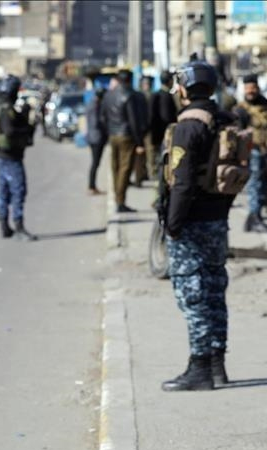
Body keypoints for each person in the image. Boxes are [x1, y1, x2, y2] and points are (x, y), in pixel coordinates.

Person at [161, 57, 237, 392]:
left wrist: (172, 225)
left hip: (192, 222)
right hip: (217, 218)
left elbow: (182, 181)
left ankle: (200, 368)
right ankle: (217, 364)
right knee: (214, 291)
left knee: (193, 296)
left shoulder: (189, 126)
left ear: (185, 88)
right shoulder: (223, 119)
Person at [0, 75, 37, 241]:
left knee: (4, 191)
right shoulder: (6, 109)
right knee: (18, 191)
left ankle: (4, 226)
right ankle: (18, 227)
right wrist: (26, 127)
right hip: (10, 157)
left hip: (0, 156)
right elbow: (10, 131)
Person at [100, 69, 146, 213]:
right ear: (130, 80)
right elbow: (133, 120)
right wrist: (139, 142)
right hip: (126, 136)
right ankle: (120, 201)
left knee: (115, 167)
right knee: (125, 169)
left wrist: (109, 131)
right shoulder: (129, 95)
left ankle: (117, 199)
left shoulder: (108, 95)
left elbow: (103, 117)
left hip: (113, 135)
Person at [234, 74, 267, 233]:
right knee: (255, 185)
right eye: (247, 88)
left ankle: (257, 215)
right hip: (251, 152)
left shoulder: (264, 104)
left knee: (262, 185)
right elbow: (237, 134)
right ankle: (253, 217)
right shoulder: (241, 109)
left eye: (252, 87)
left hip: (264, 152)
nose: (250, 91)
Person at [149, 71, 178, 176]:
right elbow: (167, 117)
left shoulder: (155, 94)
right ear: (170, 81)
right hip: (164, 134)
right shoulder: (166, 96)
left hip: (156, 133)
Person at [86, 86, 108, 195]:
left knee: (95, 163)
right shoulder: (95, 106)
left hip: (92, 137)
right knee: (95, 163)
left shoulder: (91, 103)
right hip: (96, 138)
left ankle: (92, 186)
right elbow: (96, 122)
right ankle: (91, 186)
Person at [133, 75, 154, 185]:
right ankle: (140, 175)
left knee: (148, 152)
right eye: (145, 84)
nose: (147, 86)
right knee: (141, 153)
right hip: (141, 128)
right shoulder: (139, 96)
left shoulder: (150, 95)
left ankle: (146, 173)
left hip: (146, 128)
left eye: (148, 84)